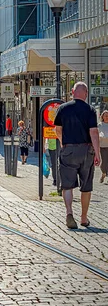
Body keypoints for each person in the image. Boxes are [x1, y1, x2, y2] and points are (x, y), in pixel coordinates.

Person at [54, 82, 101, 229]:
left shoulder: (63, 108)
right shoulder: (90, 110)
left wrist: (63, 143)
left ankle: (69, 213)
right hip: (86, 150)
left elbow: (57, 129)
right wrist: (98, 153)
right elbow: (93, 133)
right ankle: (84, 218)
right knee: (86, 186)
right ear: (86, 93)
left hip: (68, 149)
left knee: (67, 185)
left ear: (73, 92)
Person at [98, 110, 108, 183]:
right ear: (103, 117)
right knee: (104, 162)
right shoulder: (99, 125)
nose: (107, 117)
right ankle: (103, 173)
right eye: (106, 116)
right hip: (102, 146)